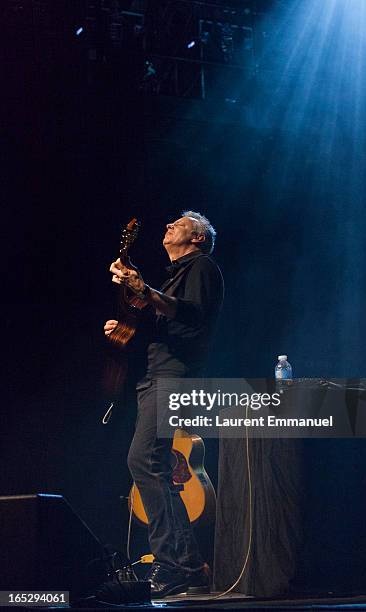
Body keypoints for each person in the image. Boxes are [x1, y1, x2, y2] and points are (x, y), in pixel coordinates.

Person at [104, 211, 224, 598]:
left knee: (144, 460)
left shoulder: (202, 266)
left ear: (198, 239)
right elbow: (161, 321)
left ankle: (178, 564)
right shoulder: (174, 275)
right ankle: (186, 565)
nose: (169, 224)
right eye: (170, 221)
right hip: (154, 377)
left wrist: (143, 289)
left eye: (181, 222)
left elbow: (189, 315)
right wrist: (123, 328)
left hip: (174, 377)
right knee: (149, 462)